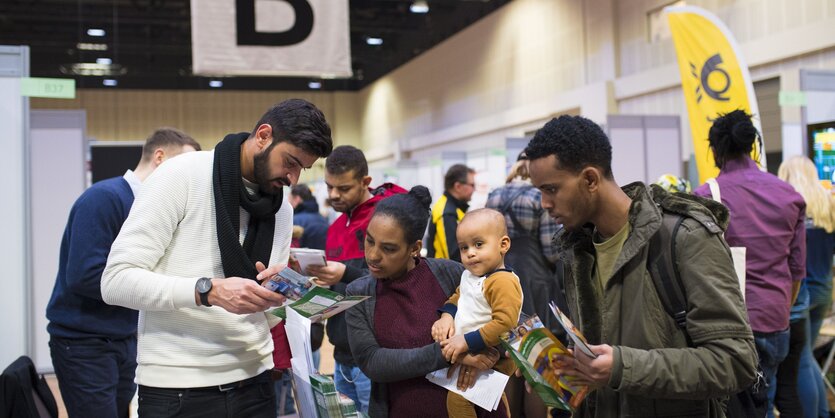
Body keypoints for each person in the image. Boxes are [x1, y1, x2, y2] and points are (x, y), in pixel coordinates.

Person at [101, 99, 333, 417]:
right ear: (264, 135)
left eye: (301, 169)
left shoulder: (281, 208)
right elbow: (115, 282)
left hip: (256, 384)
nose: (293, 178)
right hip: (178, 389)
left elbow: (269, 315)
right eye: (290, 162)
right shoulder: (180, 175)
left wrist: (282, 291)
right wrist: (207, 290)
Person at [525, 115, 757, 417]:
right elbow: (600, 354)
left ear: (591, 180)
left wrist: (621, 367)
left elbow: (735, 362)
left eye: (551, 189)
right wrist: (563, 367)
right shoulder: (577, 252)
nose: (543, 203)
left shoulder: (685, 237)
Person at [46, 128, 199, 418]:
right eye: (183, 165)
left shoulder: (151, 207)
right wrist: (153, 287)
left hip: (122, 338)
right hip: (85, 342)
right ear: (159, 157)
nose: (188, 176)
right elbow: (84, 275)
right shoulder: (104, 198)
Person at [345, 186, 507, 418]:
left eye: (388, 248)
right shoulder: (359, 294)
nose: (373, 255)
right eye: (369, 241)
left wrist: (491, 351)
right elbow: (373, 362)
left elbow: (506, 317)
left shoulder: (451, 274)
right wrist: (449, 353)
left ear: (415, 248)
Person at [693, 110, 806, 417]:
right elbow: (797, 270)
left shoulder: (705, 197)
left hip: (726, 324)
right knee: (763, 401)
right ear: (751, 145)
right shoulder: (789, 194)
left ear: (715, 150)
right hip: (775, 318)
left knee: (727, 408)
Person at [306, 145, 406, 413]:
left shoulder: (385, 220)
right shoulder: (336, 227)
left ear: (365, 182)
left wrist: (345, 272)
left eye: (344, 188)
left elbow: (396, 281)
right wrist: (320, 284)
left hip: (374, 353)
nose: (334, 195)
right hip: (341, 351)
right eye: (329, 187)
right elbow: (342, 286)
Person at [485, 153, 559, 418]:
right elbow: (552, 250)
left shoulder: (494, 196)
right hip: (534, 284)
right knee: (535, 364)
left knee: (508, 362)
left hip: (500, 282)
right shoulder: (538, 197)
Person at [432, 208, 522, 418]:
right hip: (474, 349)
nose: (470, 252)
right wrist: (446, 316)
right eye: (464, 247)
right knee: (489, 401)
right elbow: (458, 297)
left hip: (495, 355)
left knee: (459, 401)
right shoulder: (470, 276)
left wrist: (465, 342)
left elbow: (504, 323)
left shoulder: (502, 281)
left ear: (503, 245)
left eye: (478, 244)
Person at [778, 155, 835, 418]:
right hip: (824, 287)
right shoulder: (828, 203)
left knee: (800, 358)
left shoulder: (786, 203)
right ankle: (822, 411)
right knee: (807, 355)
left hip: (798, 291)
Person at [428, 164, 476, 262]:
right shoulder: (447, 213)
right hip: (445, 275)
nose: (474, 189)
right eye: (472, 185)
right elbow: (453, 255)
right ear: (458, 186)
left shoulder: (452, 208)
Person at [289, 183, 328, 250]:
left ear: (297, 199)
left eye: (290, 199)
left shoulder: (294, 220)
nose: (288, 202)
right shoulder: (324, 219)